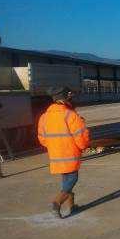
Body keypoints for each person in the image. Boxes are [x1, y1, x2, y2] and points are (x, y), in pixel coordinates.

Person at [37, 87, 90, 219]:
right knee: (72, 178)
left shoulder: (44, 116)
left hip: (55, 155)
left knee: (66, 180)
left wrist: (54, 146)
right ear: (65, 98)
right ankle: (57, 203)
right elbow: (81, 138)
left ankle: (72, 206)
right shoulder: (70, 115)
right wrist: (83, 146)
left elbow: (42, 138)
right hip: (70, 154)